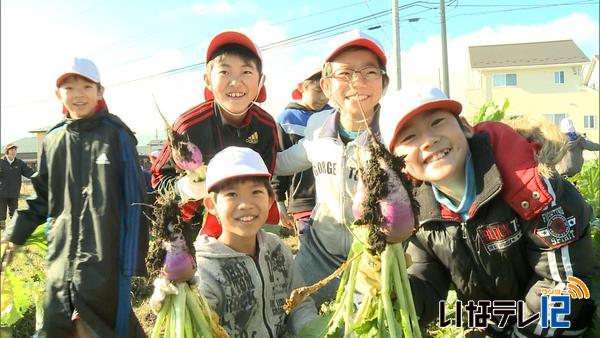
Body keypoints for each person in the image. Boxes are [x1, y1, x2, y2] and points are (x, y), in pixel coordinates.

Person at [377, 86, 595, 337]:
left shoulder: (532, 187)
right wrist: (391, 288)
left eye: (437, 122)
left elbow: (564, 284)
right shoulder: (422, 213)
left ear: (466, 127)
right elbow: (426, 285)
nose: (429, 140)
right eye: (409, 137)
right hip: (493, 323)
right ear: (400, 164)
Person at [1, 57, 148, 337]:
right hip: (61, 257)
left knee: (108, 329)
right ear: (59, 95)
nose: (78, 94)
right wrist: (15, 233)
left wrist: (131, 263)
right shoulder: (54, 139)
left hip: (107, 261)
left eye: (86, 86)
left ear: (100, 92)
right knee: (58, 324)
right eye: (69, 87)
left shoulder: (116, 135)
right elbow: (41, 195)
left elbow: (136, 200)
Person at [275, 30, 389, 307]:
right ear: (326, 86)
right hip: (317, 256)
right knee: (298, 317)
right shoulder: (318, 133)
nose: (357, 82)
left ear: (383, 84)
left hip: (374, 259)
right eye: (345, 73)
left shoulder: (396, 136)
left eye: (369, 72)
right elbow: (279, 163)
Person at [151, 30, 279, 239]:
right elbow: (159, 182)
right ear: (208, 80)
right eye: (224, 72)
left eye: (246, 72)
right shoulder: (188, 127)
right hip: (190, 229)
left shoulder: (266, 126)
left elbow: (267, 178)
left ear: (261, 81)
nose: (235, 82)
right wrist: (187, 188)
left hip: (243, 225)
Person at [195, 146, 317, 336]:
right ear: (212, 206)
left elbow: (299, 304)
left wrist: (311, 331)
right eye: (232, 194)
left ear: (270, 199)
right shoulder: (205, 270)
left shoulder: (277, 248)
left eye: (256, 192)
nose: (245, 204)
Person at [272, 66, 333, 232]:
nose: (323, 97)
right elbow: (278, 161)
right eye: (318, 90)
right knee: (310, 251)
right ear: (302, 88)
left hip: (333, 199)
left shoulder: (335, 116)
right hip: (303, 200)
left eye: (327, 90)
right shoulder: (286, 119)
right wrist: (280, 202)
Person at [0, 144, 35, 229]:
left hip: (14, 192)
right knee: (1, 213)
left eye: (15, 150)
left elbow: (29, 172)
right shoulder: (1, 162)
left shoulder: (19, 163)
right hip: (1, 193)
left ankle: (13, 230)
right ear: (6, 151)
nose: (14, 152)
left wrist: (40, 176)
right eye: (11, 150)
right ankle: (2, 229)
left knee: (14, 212)